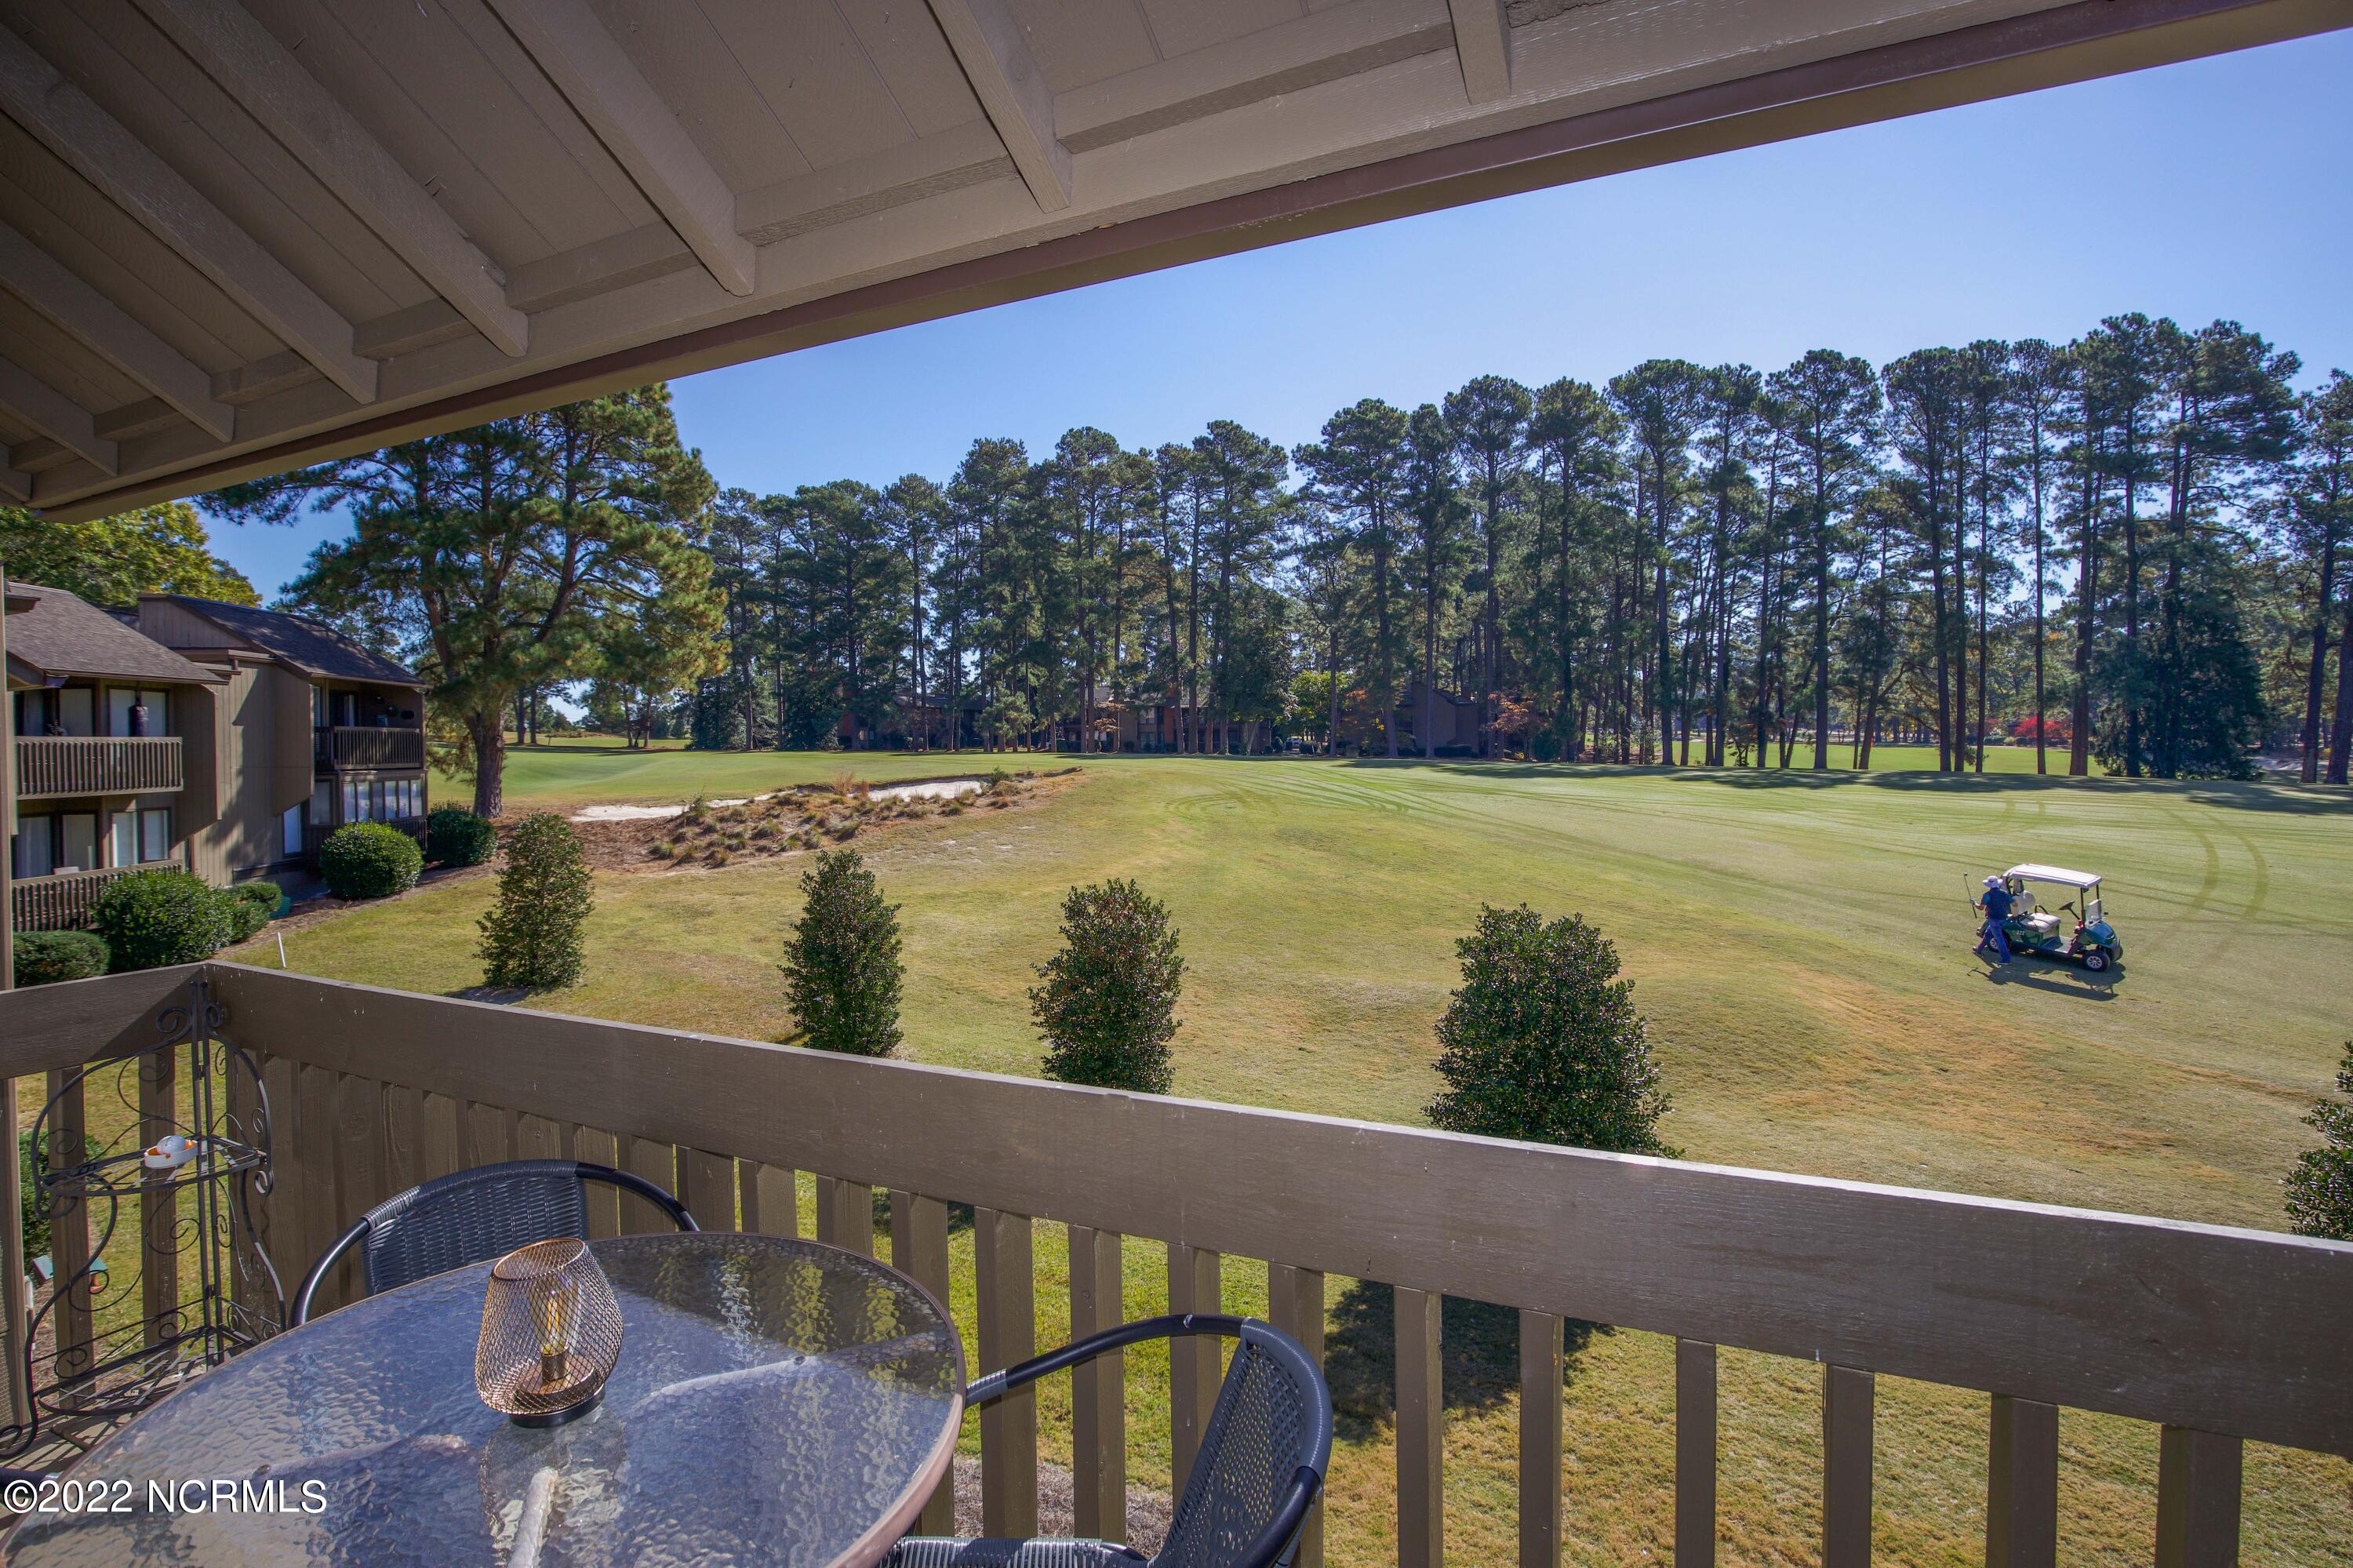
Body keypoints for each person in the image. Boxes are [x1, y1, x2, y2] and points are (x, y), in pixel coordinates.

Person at [1975, 875, 2013, 964]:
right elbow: (2014, 903)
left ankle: (2006, 959)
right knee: (1989, 933)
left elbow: (1981, 908)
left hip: (1994, 919)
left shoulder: (1987, 895)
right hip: (2003, 918)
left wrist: (1974, 903)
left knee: (1999, 939)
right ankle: (1978, 949)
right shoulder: (2005, 893)